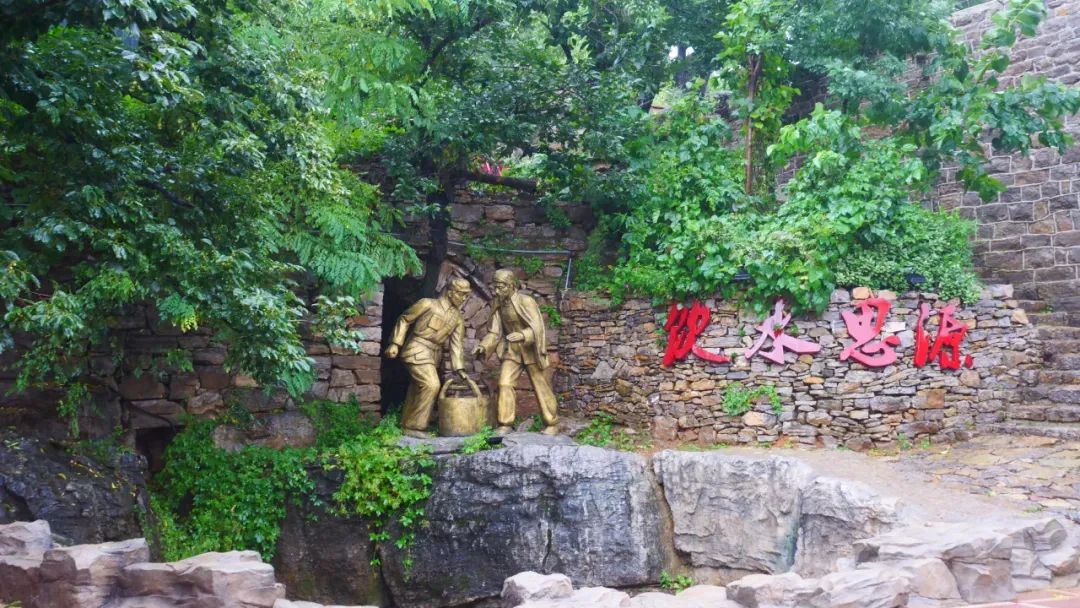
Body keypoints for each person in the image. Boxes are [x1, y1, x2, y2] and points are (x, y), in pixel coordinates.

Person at [473, 269, 558, 435]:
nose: (497, 291)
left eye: (501, 287)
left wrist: (523, 335)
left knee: (541, 387)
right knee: (504, 383)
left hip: (531, 351)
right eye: (495, 287)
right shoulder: (498, 304)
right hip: (512, 352)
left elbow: (538, 327)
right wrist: (483, 345)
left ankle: (552, 423)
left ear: (511, 286)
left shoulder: (526, 301)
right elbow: (494, 332)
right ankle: (505, 424)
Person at [385, 279, 471, 438]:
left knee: (417, 388)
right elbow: (405, 319)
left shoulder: (457, 318)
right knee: (431, 385)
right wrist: (395, 343)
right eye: (461, 294)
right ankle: (415, 426)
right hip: (417, 348)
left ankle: (406, 423)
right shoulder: (428, 304)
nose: (464, 299)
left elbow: (456, 345)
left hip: (434, 354)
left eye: (467, 295)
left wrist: (459, 369)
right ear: (450, 292)